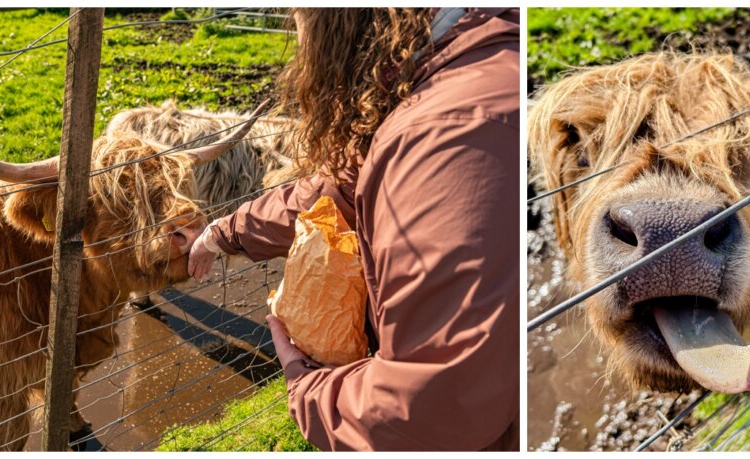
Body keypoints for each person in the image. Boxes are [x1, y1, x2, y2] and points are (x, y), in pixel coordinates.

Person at [188, 8, 518, 451]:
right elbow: (336, 191)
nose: (303, 59)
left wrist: (308, 387)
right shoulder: (440, 75)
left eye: (301, 25)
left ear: (338, 25)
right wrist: (224, 232)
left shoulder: (446, 133)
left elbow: (428, 412)